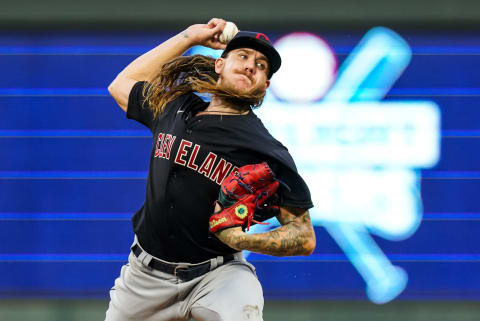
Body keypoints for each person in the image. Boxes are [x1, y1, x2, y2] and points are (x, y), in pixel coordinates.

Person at [105, 18, 316, 321]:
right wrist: (189, 37)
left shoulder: (265, 150)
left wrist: (242, 241)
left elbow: (303, 235)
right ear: (220, 65)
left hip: (218, 276)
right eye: (242, 56)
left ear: (265, 85)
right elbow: (120, 85)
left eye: (260, 66)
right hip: (144, 278)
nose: (250, 66)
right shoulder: (174, 108)